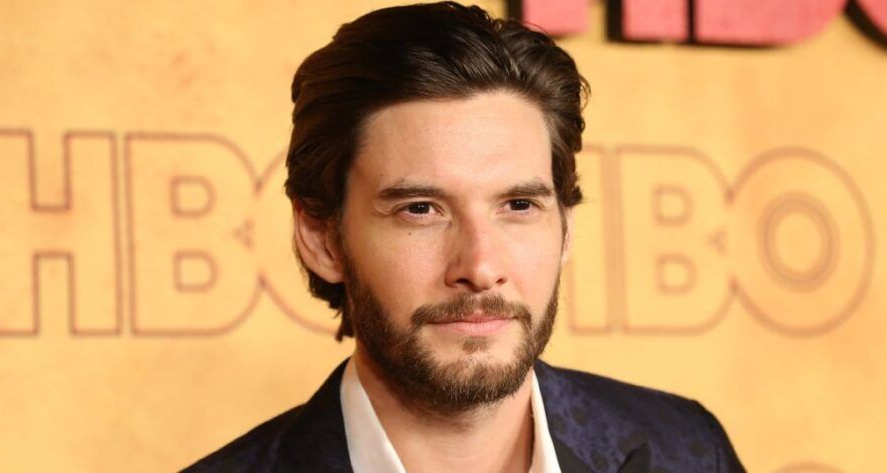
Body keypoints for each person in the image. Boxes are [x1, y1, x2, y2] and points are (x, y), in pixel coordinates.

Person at [184, 2, 744, 472]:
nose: (480, 266)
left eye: (518, 205)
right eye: (420, 210)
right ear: (321, 238)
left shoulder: (686, 451)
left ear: (566, 228)